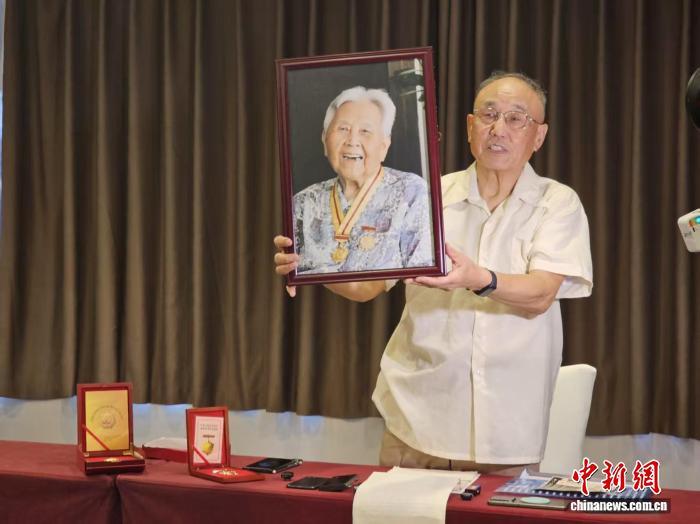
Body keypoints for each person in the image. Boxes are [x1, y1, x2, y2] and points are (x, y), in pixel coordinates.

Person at [274, 71, 593, 472]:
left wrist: (479, 279)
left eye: (516, 118)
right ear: (470, 126)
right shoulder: (423, 196)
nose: (499, 129)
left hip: (507, 431)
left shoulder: (557, 202)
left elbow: (541, 293)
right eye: (489, 115)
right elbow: (367, 287)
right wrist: (311, 264)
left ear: (539, 136)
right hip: (416, 420)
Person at [292, 86, 434, 274]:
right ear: (325, 140)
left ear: (384, 146)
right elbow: (293, 272)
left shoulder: (411, 191)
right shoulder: (304, 202)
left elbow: (421, 273)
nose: (352, 141)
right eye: (343, 129)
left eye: (365, 131)